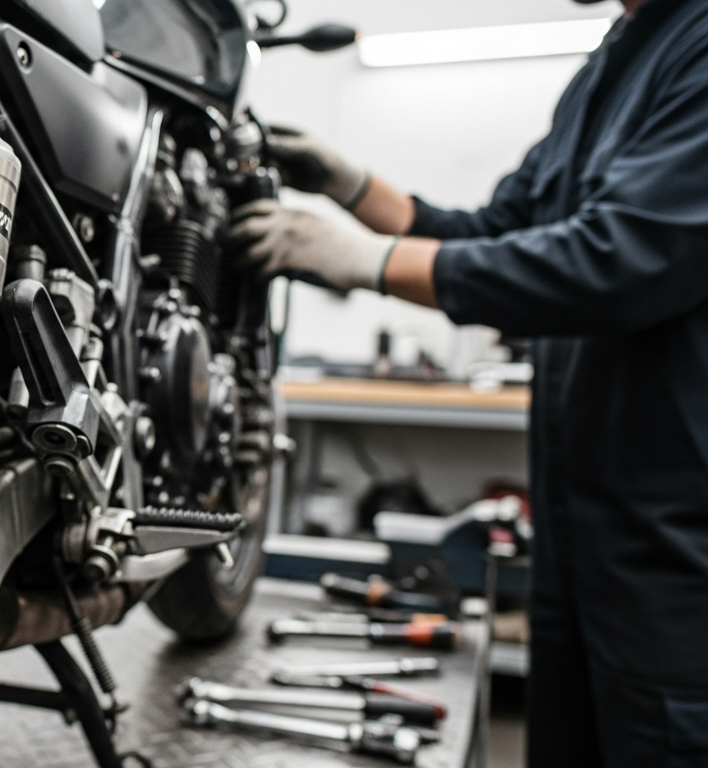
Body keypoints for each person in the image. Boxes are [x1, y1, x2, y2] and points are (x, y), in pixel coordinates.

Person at [230, 0, 708, 764]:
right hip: (577, 540)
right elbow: (497, 232)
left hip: (675, 559)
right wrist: (353, 187)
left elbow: (616, 262)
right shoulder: (612, 61)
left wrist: (368, 262)